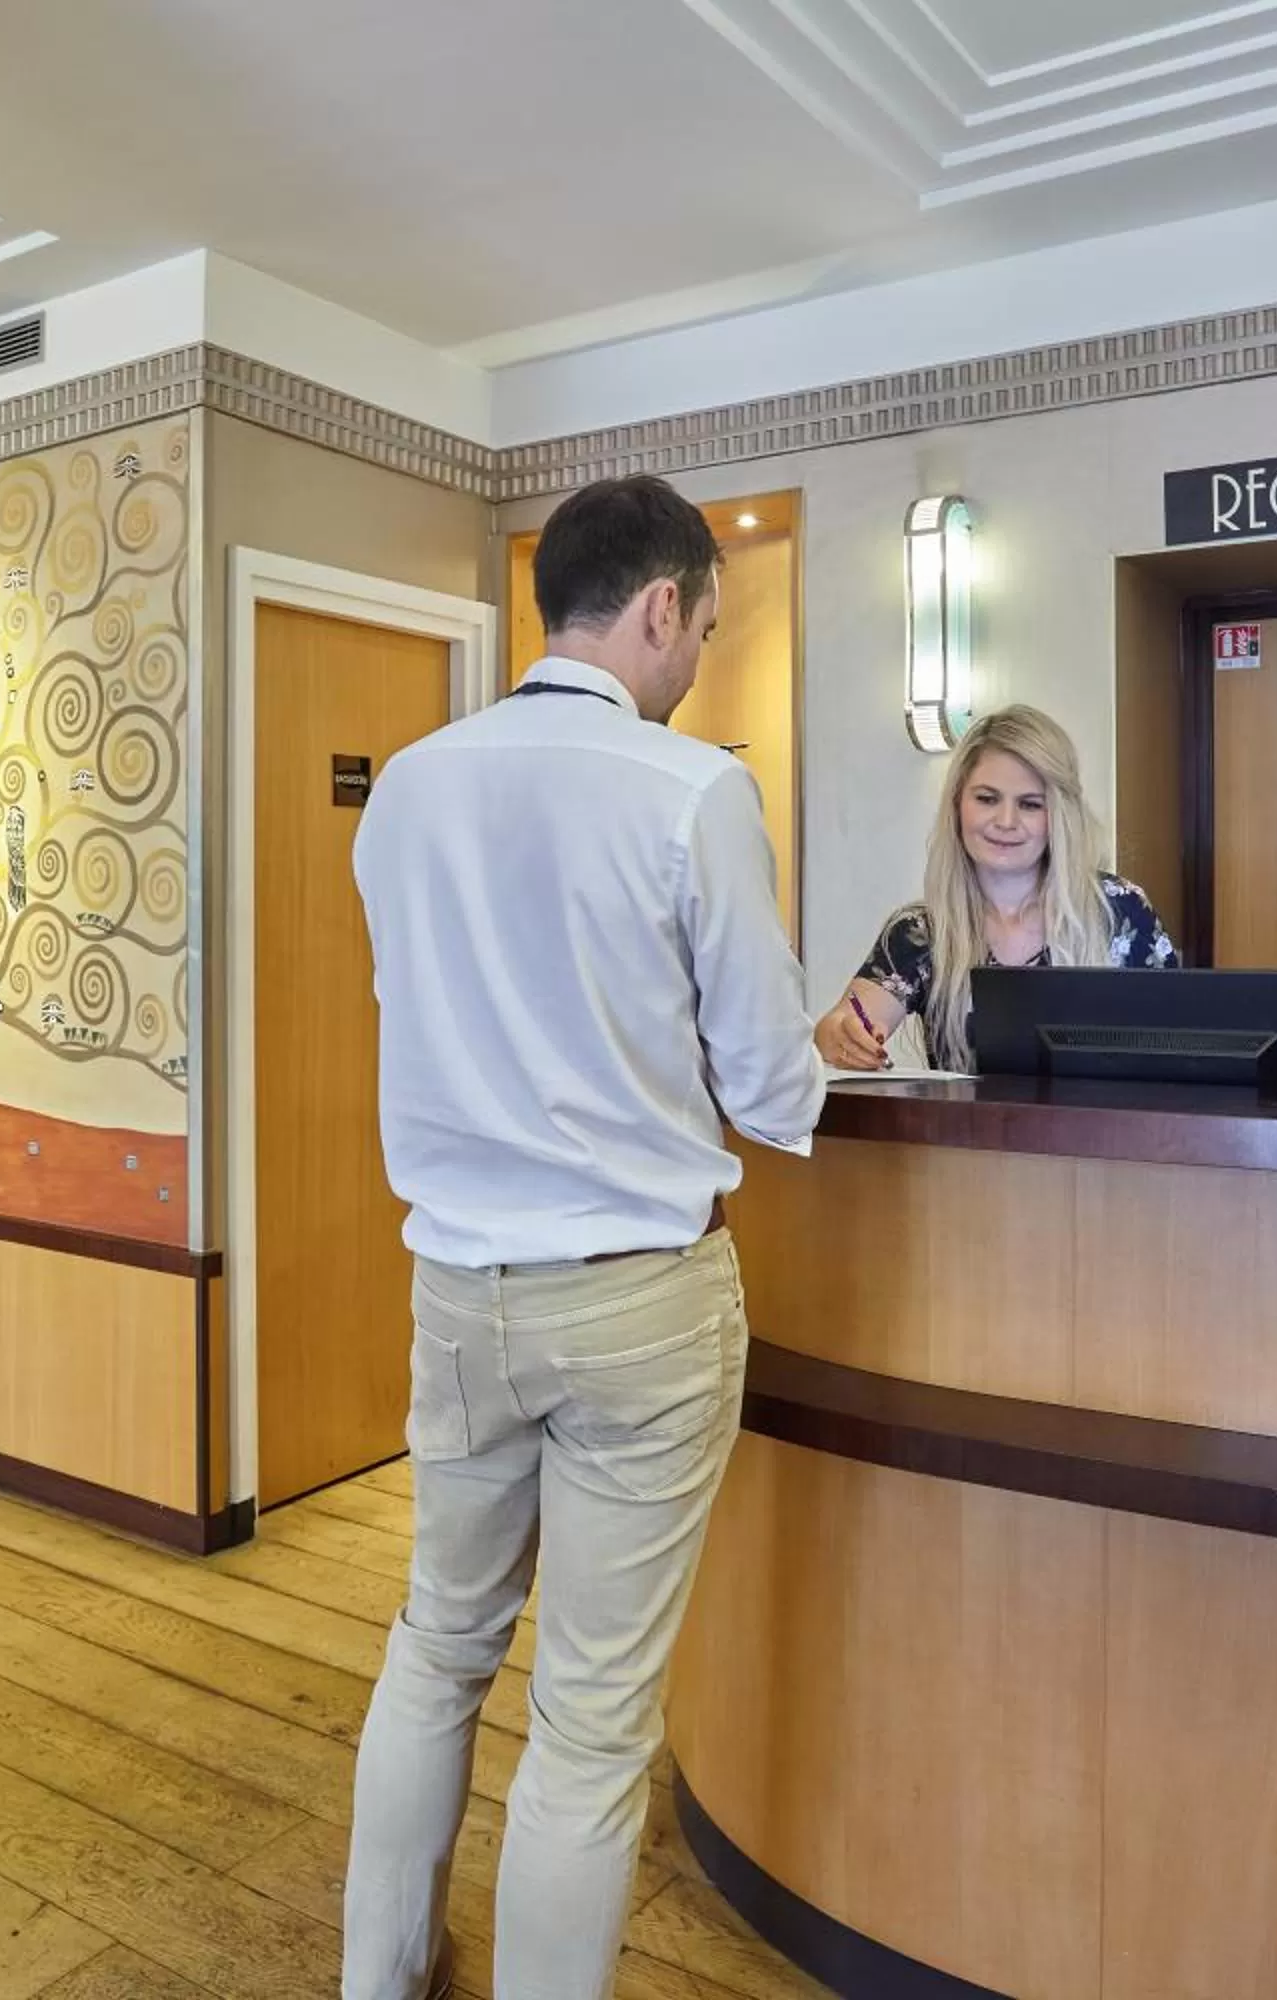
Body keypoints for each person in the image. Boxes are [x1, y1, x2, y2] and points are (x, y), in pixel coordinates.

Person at [342, 475, 823, 2000]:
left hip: (457, 1289)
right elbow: (766, 1082)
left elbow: (429, 1013)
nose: (694, 669)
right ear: (663, 607)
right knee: (593, 1720)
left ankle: (384, 1977)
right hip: (635, 1302)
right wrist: (825, 1048)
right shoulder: (687, 790)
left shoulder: (413, 783)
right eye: (702, 632)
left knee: (436, 1648)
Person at [814, 704, 1178, 1073]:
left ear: (1060, 817)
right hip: (965, 1132)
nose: (1006, 821)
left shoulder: (1118, 910)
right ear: (957, 803)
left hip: (1102, 1131)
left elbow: (1179, 1041)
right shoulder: (920, 931)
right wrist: (841, 1036)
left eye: (1030, 805)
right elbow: (839, 1026)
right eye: (987, 799)